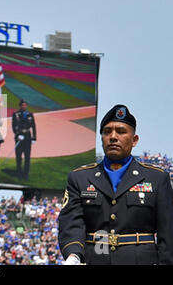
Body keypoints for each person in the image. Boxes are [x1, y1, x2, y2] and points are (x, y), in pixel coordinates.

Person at [58, 104, 173, 265]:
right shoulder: (79, 178)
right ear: (102, 138)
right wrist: (74, 255)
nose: (113, 136)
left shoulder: (157, 178)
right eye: (107, 132)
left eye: (121, 131)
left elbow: (168, 234)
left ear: (134, 140)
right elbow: (71, 223)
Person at [12, 99, 36, 180]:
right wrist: (17, 134)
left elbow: (33, 126)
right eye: (22, 105)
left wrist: (34, 138)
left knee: (27, 157)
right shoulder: (16, 114)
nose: (24, 106)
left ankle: (26, 174)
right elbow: (13, 126)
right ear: (20, 105)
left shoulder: (30, 114)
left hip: (28, 138)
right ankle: (18, 173)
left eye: (25, 105)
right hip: (19, 138)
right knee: (18, 157)